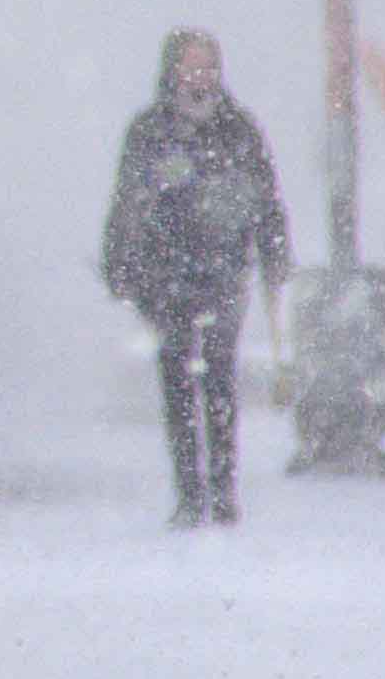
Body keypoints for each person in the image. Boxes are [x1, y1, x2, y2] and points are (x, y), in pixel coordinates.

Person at [102, 27, 290, 525]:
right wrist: (120, 264)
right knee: (179, 382)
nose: (200, 74)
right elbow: (127, 201)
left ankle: (223, 489)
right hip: (167, 276)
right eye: (191, 65)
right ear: (173, 70)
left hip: (224, 271)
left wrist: (274, 255)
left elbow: (266, 198)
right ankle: (190, 491)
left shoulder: (238, 129)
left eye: (208, 64)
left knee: (220, 379)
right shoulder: (150, 130)